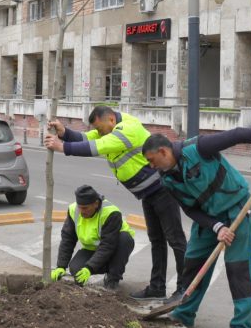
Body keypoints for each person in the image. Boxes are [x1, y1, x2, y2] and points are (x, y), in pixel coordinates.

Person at [141, 128, 251, 328]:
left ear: (164, 151)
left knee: (237, 268)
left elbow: (237, 135)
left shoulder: (198, 148)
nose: (151, 166)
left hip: (236, 208)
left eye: (152, 160)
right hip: (209, 219)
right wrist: (216, 226)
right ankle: (183, 314)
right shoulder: (167, 179)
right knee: (193, 261)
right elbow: (189, 209)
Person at [44, 106, 187, 304]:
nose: (100, 132)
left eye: (101, 128)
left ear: (111, 119)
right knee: (157, 240)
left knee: (176, 240)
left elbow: (97, 147)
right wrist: (65, 133)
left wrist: (62, 147)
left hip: (162, 189)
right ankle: (157, 287)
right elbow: (88, 138)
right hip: (148, 194)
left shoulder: (127, 128)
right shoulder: (109, 128)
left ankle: (184, 289)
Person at [50, 185, 135, 291]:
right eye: (79, 207)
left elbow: (107, 245)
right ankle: (109, 267)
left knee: (124, 238)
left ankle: (113, 278)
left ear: (96, 203)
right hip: (93, 250)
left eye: (85, 208)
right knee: (76, 269)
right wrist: (61, 266)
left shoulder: (111, 213)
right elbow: (68, 239)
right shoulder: (73, 210)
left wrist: (89, 267)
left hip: (114, 247)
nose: (81, 211)